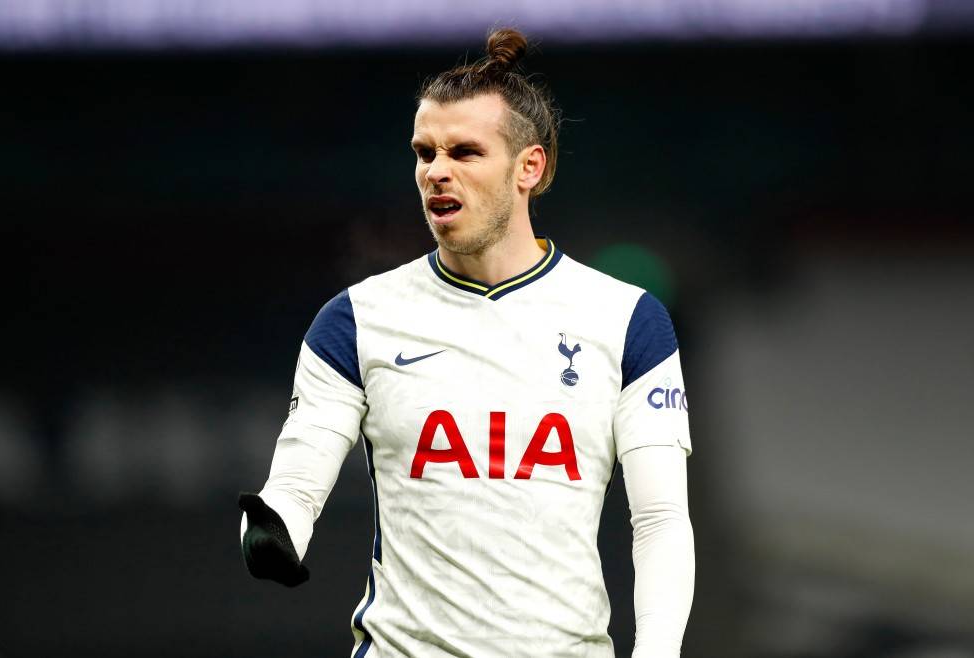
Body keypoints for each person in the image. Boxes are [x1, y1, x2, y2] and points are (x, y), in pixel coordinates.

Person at [239, 27, 695, 658]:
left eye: (465, 153)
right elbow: (292, 490)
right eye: (425, 153)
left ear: (529, 167)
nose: (437, 172)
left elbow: (661, 519)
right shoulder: (355, 320)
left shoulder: (627, 319)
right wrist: (271, 530)